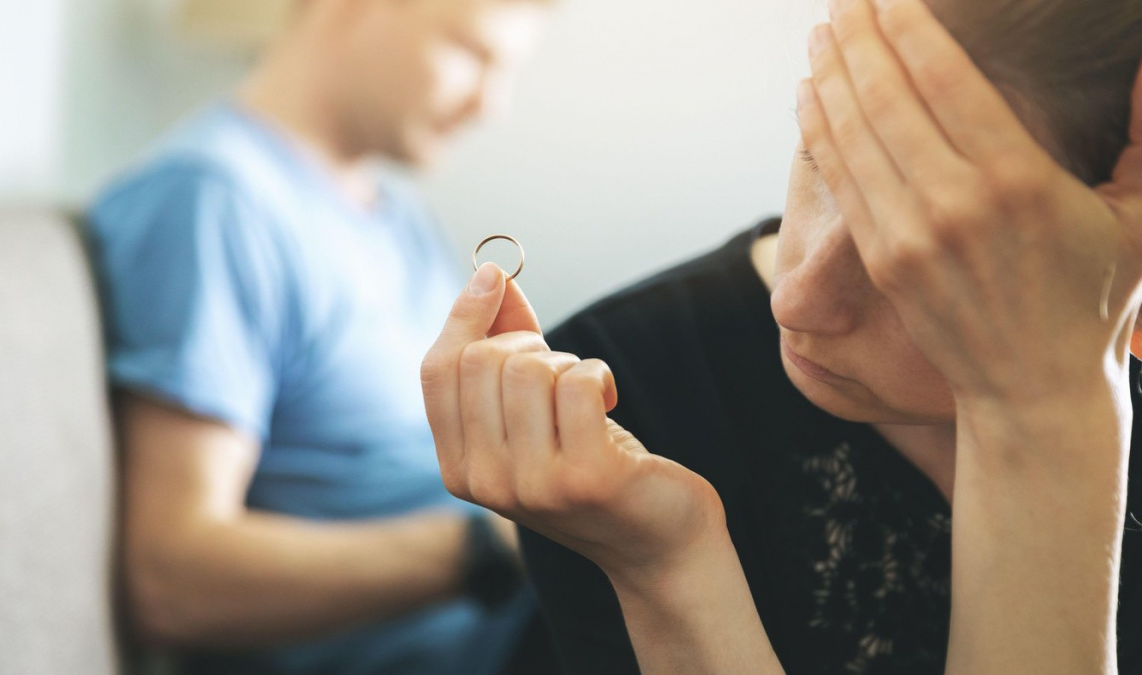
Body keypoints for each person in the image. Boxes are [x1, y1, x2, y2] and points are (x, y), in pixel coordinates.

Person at [420, 0, 1142, 672]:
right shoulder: (620, 397)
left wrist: (1053, 413)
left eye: (933, 252)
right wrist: (662, 573)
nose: (795, 301)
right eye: (819, 158)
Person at [86, 0, 556, 673]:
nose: (491, 105)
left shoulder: (398, 218)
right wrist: (494, 547)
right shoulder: (213, 200)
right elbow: (169, 579)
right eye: (470, 52)